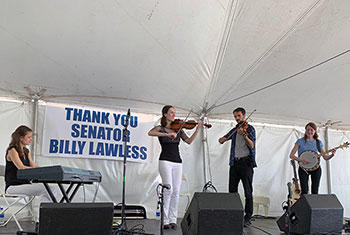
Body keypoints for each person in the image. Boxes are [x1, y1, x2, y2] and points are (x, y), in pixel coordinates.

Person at [148, 105, 203, 230]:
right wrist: (167, 135)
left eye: (174, 113)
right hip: (165, 161)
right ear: (165, 114)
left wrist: (198, 129)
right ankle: (165, 219)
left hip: (177, 162)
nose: (174, 115)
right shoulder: (161, 128)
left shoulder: (179, 129)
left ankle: (173, 219)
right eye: (171, 113)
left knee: (176, 191)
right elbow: (150, 132)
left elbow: (189, 141)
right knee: (168, 189)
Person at [5, 125, 56, 223]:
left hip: (24, 185)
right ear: (21, 138)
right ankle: (41, 221)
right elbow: (21, 167)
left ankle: (43, 219)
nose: (31, 139)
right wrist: (38, 171)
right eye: (29, 137)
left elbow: (34, 166)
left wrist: (48, 171)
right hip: (13, 187)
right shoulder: (12, 150)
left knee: (51, 189)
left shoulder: (26, 151)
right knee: (47, 189)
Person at [218, 107, 256, 227]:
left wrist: (244, 136)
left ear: (244, 116)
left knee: (248, 192)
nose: (237, 118)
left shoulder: (250, 129)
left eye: (239, 116)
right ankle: (233, 215)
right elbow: (222, 139)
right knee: (232, 191)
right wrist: (222, 139)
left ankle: (248, 217)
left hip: (246, 164)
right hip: (235, 163)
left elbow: (252, 145)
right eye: (235, 116)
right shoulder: (234, 129)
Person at [289, 122, 336, 195]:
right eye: (308, 130)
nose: (309, 132)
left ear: (315, 131)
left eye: (311, 130)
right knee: (304, 191)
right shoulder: (300, 141)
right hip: (303, 168)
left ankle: (313, 206)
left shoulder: (318, 142)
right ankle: (304, 206)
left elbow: (325, 157)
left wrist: (332, 155)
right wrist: (302, 160)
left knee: (315, 191)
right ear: (305, 130)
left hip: (316, 169)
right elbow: (291, 155)